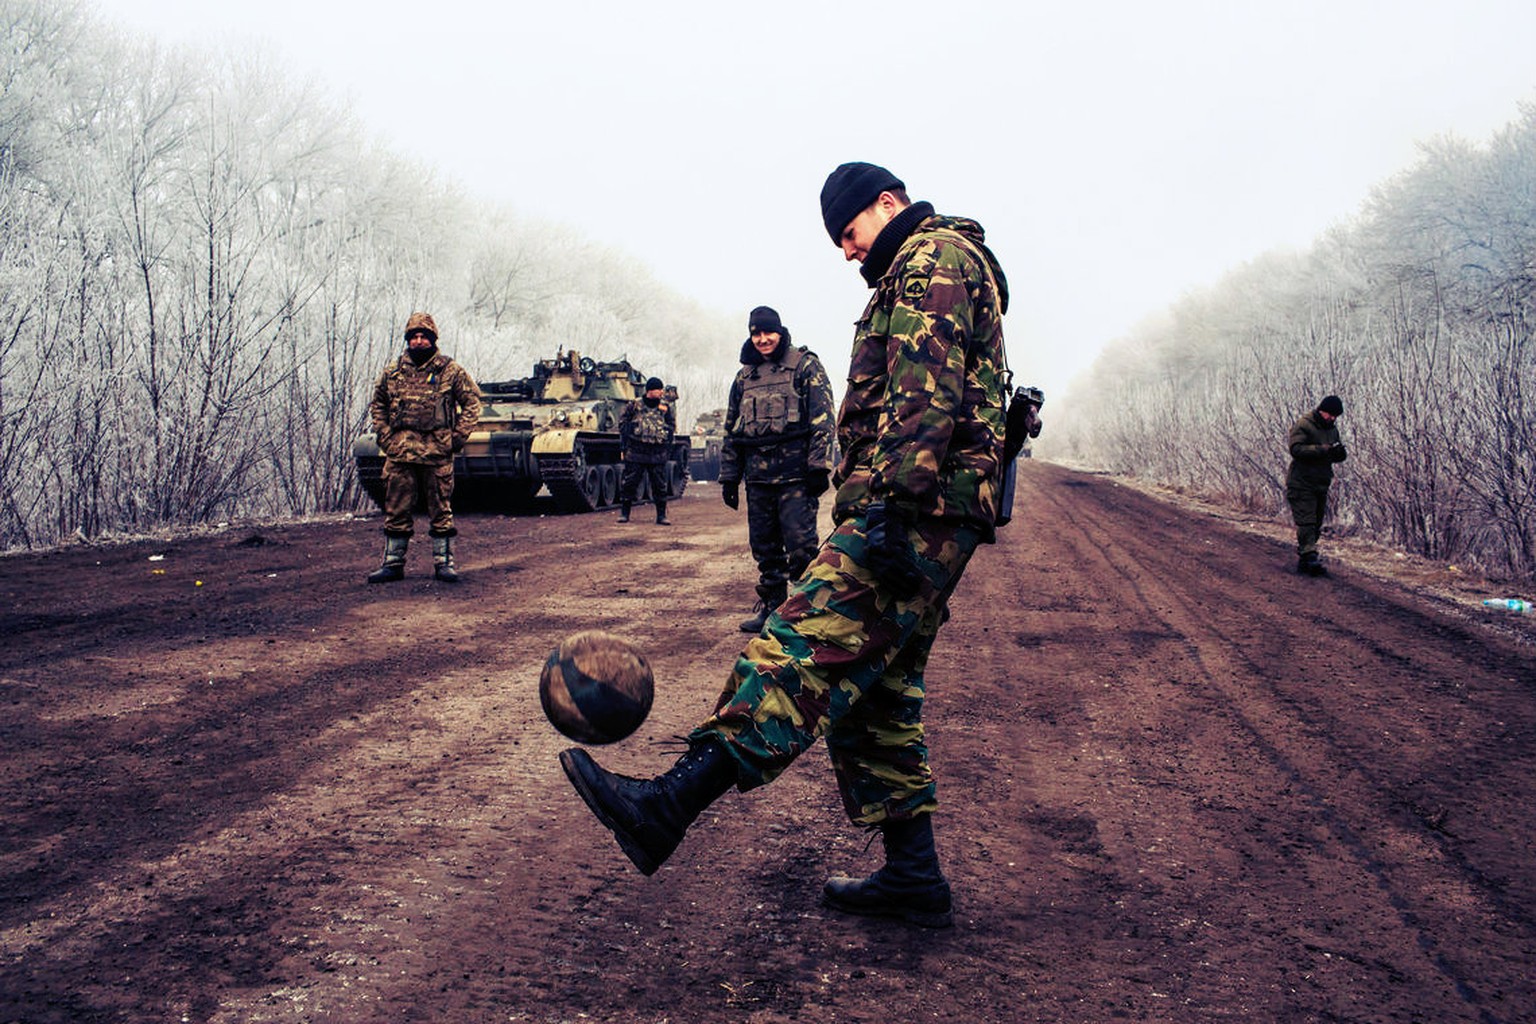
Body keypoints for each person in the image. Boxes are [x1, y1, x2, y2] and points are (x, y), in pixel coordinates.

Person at [560, 162, 1010, 928]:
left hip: (913, 514)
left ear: (888, 202)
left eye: (850, 230)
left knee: (795, 649)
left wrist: (893, 513)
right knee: (875, 700)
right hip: (928, 512)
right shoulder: (924, 266)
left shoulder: (932, 261)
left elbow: (924, 397)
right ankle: (913, 875)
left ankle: (667, 805)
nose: (845, 249)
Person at [719, 305, 836, 632]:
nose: (762, 339)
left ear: (780, 332)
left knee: (801, 549)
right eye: (755, 333)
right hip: (758, 478)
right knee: (766, 549)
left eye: (768, 332)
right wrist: (729, 476)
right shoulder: (745, 377)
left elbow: (823, 420)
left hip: (795, 476)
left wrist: (818, 466)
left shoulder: (805, 366)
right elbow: (732, 430)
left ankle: (804, 612)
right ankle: (771, 607)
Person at [366, 312, 482, 584]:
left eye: (424, 337)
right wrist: (384, 436)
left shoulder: (450, 371)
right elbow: (378, 405)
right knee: (396, 508)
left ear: (432, 339)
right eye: (414, 337)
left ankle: (444, 563)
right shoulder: (392, 372)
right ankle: (393, 563)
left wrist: (456, 437)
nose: (419, 341)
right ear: (408, 340)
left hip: (436, 451)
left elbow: (472, 404)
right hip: (401, 452)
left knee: (440, 508)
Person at [1286, 394, 1347, 576]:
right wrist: (1321, 450)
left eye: (1335, 416)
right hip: (1301, 482)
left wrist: (1338, 453)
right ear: (1322, 410)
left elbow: (1334, 454)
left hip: (1321, 482)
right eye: (1330, 414)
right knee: (1307, 521)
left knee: (1316, 522)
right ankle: (1310, 556)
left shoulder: (1332, 430)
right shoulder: (1304, 425)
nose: (1333, 418)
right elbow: (1295, 450)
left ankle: (1306, 560)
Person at [618, 377, 677, 525]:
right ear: (651, 390)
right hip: (637, 451)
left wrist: (666, 439)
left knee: (659, 485)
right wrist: (630, 433)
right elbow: (622, 422)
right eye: (659, 389)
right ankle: (624, 514)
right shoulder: (635, 404)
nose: (661, 392)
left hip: (657, 452)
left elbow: (671, 424)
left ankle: (661, 516)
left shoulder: (665, 407)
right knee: (630, 483)